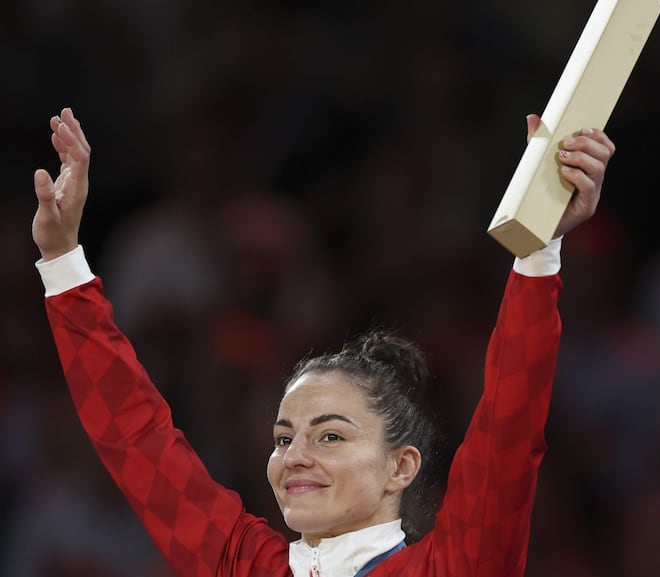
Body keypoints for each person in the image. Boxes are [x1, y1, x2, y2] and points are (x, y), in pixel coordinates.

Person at [31, 107, 615, 577]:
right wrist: (62, 262)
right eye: (284, 438)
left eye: (329, 435)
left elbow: (508, 429)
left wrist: (538, 252)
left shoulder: (453, 568)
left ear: (400, 466)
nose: (294, 458)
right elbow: (136, 438)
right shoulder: (243, 565)